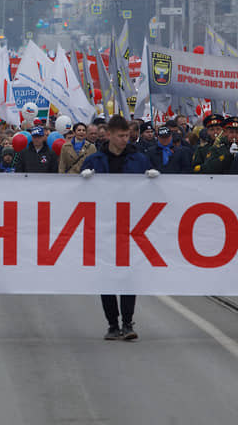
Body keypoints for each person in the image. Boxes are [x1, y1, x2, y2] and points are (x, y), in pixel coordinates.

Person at [80, 114, 158, 341]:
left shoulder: (139, 160)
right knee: (106, 276)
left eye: (127, 135)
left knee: (128, 276)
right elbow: (81, 195)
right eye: (121, 136)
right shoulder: (95, 161)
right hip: (103, 225)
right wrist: (84, 181)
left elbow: (151, 192)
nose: (126, 139)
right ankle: (112, 323)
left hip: (130, 226)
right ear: (110, 135)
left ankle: (127, 322)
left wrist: (154, 180)